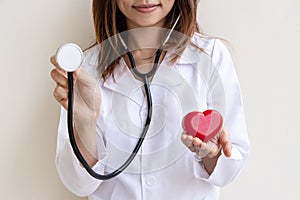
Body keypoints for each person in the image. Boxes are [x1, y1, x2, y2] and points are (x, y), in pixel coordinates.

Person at [50, 0, 250, 199]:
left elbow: (230, 167)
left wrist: (211, 154)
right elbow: (78, 184)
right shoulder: (85, 69)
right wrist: (85, 123)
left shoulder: (211, 56)